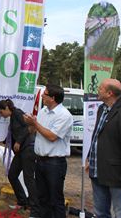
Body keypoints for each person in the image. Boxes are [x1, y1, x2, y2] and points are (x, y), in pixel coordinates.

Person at [86, 78, 121, 218]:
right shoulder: (101, 108)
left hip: (116, 176)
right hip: (97, 171)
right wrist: (88, 158)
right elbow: (97, 136)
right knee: (100, 212)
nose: (98, 89)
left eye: (101, 88)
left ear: (109, 93)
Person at [23, 84, 73, 218]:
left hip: (55, 163)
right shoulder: (43, 111)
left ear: (53, 98)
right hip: (40, 160)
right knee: (42, 197)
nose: (42, 96)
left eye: (45, 94)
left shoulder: (64, 115)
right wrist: (30, 123)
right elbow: (33, 131)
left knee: (55, 199)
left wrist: (35, 124)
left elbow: (52, 137)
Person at [0, 99, 40, 217]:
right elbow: (16, 132)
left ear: (7, 108)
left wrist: (19, 142)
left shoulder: (17, 113)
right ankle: (23, 201)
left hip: (28, 149)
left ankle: (34, 206)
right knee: (12, 174)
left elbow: (29, 127)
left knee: (28, 178)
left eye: (1, 112)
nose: (1, 115)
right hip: (21, 151)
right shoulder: (12, 117)